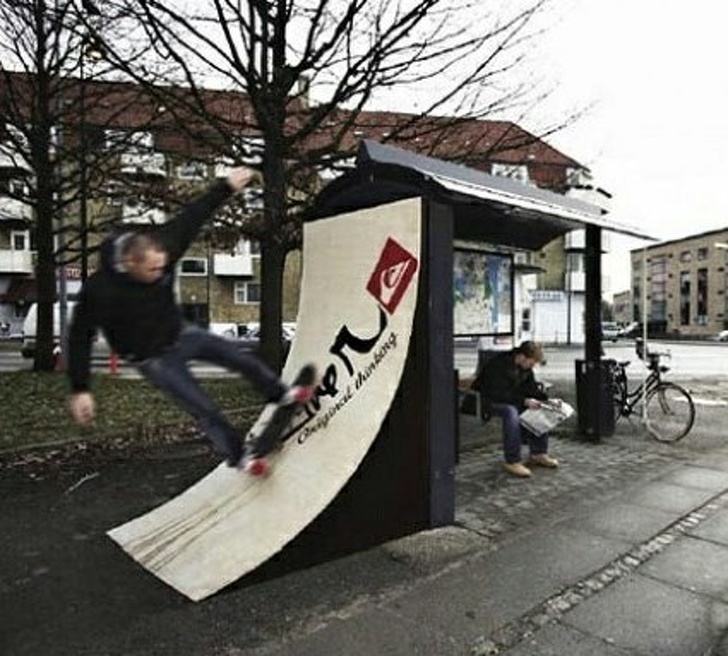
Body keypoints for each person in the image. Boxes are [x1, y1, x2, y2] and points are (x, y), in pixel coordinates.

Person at [67, 167, 314, 469]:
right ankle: (240, 457)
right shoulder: (99, 289)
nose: (160, 274)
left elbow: (195, 214)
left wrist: (227, 186)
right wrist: (80, 388)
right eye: (153, 271)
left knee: (239, 357)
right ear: (130, 263)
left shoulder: (165, 245)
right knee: (202, 406)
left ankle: (280, 394)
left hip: (181, 332)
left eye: (163, 267)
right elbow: (79, 336)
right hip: (152, 359)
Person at [473, 340, 558, 478]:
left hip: (511, 399)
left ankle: (538, 453)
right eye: (532, 362)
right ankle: (512, 460)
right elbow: (498, 393)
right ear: (522, 357)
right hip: (488, 400)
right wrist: (524, 401)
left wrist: (545, 401)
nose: (532, 366)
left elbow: (531, 388)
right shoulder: (499, 364)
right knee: (511, 412)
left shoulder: (525, 368)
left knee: (539, 408)